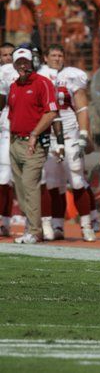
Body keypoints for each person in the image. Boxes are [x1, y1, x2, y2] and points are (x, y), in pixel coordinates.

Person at [37, 44, 96, 242]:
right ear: (45, 57)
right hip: (49, 138)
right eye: (53, 55)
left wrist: (84, 133)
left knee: (77, 180)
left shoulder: (73, 75)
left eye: (60, 55)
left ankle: (86, 225)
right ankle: (56, 225)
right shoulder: (39, 75)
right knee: (53, 184)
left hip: (70, 134)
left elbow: (81, 107)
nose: (57, 58)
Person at [0, 47, 58, 243]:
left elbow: (51, 113)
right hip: (15, 141)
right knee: (21, 188)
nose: (23, 65)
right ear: (14, 65)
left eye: (26, 61)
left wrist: (34, 134)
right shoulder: (14, 86)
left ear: (31, 62)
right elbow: (13, 115)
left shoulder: (44, 83)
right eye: (19, 62)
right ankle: (31, 226)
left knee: (30, 185)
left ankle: (34, 230)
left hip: (34, 142)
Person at [0, 42, 16, 236]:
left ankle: (4, 221)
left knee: (6, 179)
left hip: (10, 128)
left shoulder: (18, 75)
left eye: (10, 54)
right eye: (4, 55)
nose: (7, 58)